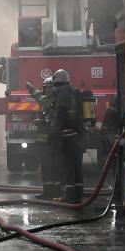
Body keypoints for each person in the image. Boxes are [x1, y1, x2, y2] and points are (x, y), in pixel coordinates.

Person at [41, 69, 84, 202]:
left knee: (68, 166)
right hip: (76, 135)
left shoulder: (63, 94)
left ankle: (70, 196)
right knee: (76, 166)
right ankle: (77, 195)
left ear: (57, 83)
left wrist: (54, 134)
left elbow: (61, 116)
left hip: (67, 136)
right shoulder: (73, 92)